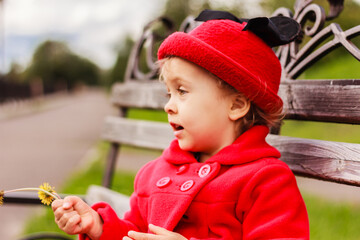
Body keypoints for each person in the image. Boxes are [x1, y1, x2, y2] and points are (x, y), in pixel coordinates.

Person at [52, 10, 309, 240]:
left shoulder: (265, 180)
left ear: (236, 105)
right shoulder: (154, 174)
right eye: (169, 93)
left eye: (182, 91)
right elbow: (133, 231)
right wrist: (99, 227)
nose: (169, 106)